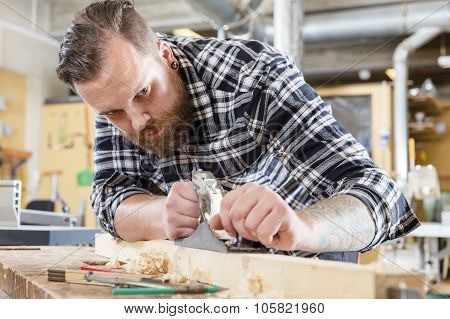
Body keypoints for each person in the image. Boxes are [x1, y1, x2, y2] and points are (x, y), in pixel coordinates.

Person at [56, 0, 419, 260]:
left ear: (165, 55)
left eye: (144, 93)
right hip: (213, 269)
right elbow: (110, 197)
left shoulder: (254, 76)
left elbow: (380, 195)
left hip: (310, 255)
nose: (136, 122)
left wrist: (302, 227)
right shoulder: (114, 93)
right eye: (114, 112)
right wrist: (160, 213)